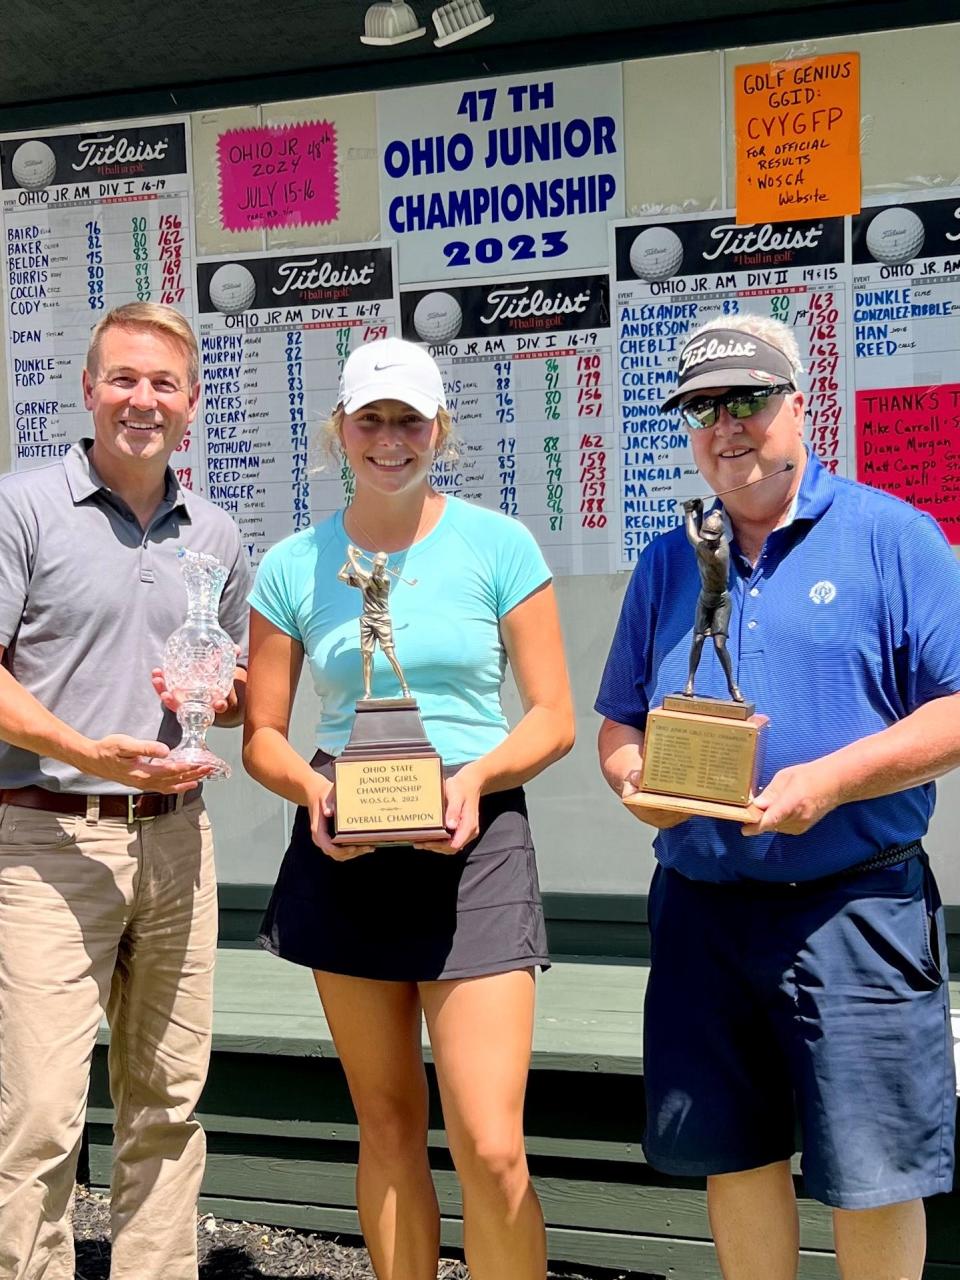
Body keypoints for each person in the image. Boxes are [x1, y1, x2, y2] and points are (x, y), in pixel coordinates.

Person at [596, 313, 960, 1280]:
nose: (728, 427)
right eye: (704, 409)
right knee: (735, 1153)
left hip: (854, 906)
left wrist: (831, 781)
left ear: (802, 404)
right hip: (702, 907)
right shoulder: (671, 558)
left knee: (874, 1173)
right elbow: (619, 722)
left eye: (749, 400)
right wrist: (635, 781)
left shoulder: (893, 536)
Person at [243, 336, 574, 1280]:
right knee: (387, 1126)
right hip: (345, 847)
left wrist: (473, 780)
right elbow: (262, 734)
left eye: (411, 420)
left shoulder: (498, 544)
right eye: (372, 419)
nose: (392, 439)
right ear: (340, 430)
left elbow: (552, 716)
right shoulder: (293, 565)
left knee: (491, 1143)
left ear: (442, 429)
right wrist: (316, 791)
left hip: (478, 842)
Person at [0, 303, 250, 1280]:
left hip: (178, 840)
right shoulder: (22, 508)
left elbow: (222, 695)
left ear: (191, 403)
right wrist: (84, 751)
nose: (142, 400)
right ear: (89, 389)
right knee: (39, 1117)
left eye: (163, 384)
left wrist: (221, 696)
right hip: (48, 841)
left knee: (167, 1105)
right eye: (123, 379)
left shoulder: (218, 534)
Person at [681, 498, 742, 702]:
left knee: (718, 645)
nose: (707, 539)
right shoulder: (710, 543)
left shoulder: (717, 553)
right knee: (697, 640)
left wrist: (689, 513)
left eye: (711, 537)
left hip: (721, 601)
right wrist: (700, 510)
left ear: (720, 536)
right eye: (706, 536)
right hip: (705, 598)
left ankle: (732, 685)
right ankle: (690, 681)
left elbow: (692, 535)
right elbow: (698, 535)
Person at [338, 544, 410, 698]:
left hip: (382, 619)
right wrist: (352, 560)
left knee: (389, 653)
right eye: (377, 563)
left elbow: (360, 573)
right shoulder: (365, 578)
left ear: (384, 565)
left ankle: (405, 687)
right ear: (373, 562)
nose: (378, 566)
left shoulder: (384, 580)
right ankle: (368, 692)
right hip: (367, 620)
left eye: (381, 564)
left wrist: (351, 554)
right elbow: (341, 575)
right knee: (366, 655)